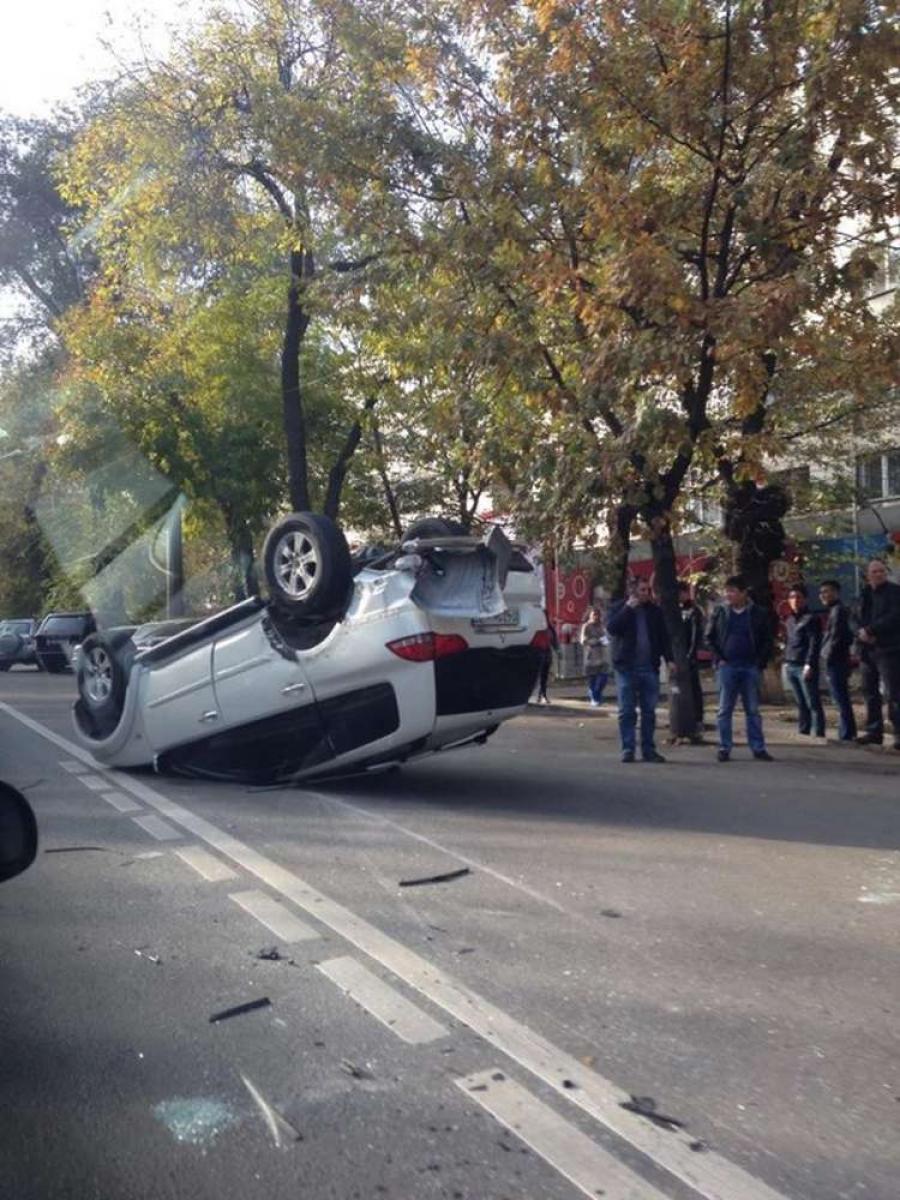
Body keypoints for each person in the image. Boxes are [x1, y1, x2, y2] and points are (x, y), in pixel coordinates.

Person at [706, 574, 774, 762]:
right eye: (727, 591)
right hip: (727, 666)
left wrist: (759, 661)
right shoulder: (720, 612)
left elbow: (767, 639)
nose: (729, 595)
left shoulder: (757, 613)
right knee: (724, 709)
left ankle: (758, 747)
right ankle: (724, 747)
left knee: (752, 709)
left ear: (744, 593)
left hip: (750, 666)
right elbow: (709, 637)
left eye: (733, 591)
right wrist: (719, 658)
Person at [606, 579, 673, 763]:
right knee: (627, 711)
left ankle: (648, 749)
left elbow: (663, 637)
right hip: (626, 667)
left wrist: (669, 659)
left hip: (649, 667)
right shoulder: (619, 608)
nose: (647, 593)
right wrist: (628, 608)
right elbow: (612, 628)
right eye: (643, 590)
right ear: (633, 592)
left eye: (648, 590)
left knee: (649, 711)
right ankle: (628, 749)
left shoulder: (654, 611)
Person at [856, 558, 900, 750]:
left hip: (889, 649)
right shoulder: (863, 594)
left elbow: (895, 616)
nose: (879, 574)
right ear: (868, 575)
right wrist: (860, 632)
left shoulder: (895, 592)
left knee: (893, 693)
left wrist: (871, 630)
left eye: (881, 571)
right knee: (869, 691)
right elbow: (853, 617)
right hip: (867, 650)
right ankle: (874, 731)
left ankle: (899, 733)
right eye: (874, 572)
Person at [781, 584, 825, 739]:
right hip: (791, 663)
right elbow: (789, 641)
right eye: (792, 597)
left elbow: (814, 643)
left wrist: (809, 664)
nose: (795, 600)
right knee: (800, 702)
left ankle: (818, 732)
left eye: (798, 597)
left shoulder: (811, 618)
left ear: (805, 599)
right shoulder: (790, 619)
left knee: (812, 701)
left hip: (804, 665)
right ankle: (804, 730)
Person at [819, 579, 857, 742]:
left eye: (828, 591)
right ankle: (846, 731)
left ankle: (847, 733)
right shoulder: (833, 610)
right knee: (839, 697)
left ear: (836, 592)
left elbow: (838, 637)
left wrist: (828, 655)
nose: (824, 595)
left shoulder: (839, 611)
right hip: (835, 659)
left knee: (840, 697)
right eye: (822, 592)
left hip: (837, 660)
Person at [678, 580, 705, 742]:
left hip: (690, 656)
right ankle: (684, 719)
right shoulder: (677, 610)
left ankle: (698, 719)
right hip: (679, 655)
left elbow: (696, 635)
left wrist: (691, 655)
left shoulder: (694, 610)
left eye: (680, 593)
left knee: (694, 688)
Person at [579, 607, 610, 707]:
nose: (596, 617)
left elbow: (606, 637)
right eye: (594, 615)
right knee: (592, 680)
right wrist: (595, 641)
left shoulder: (601, 626)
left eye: (598, 615)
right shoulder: (586, 626)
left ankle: (596, 695)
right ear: (590, 616)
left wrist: (605, 640)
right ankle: (595, 698)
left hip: (602, 656)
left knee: (603, 678)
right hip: (591, 657)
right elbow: (583, 640)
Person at [536, 612, 558, 704]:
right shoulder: (536, 628)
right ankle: (537, 695)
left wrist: (558, 650)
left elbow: (554, 641)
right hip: (537, 653)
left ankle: (542, 695)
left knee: (544, 676)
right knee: (537, 676)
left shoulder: (550, 629)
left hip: (547, 654)